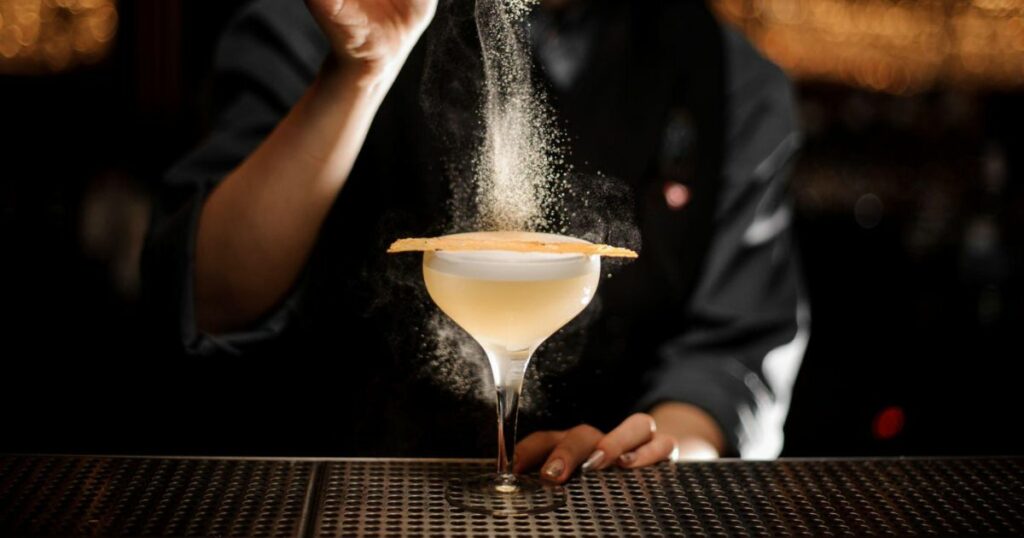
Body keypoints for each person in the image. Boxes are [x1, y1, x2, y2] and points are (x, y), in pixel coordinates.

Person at [143, 0, 807, 482]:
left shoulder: (733, 81)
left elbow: (732, 356)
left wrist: (649, 455)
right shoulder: (318, 17)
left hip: (596, 513)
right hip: (343, 496)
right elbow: (210, 297)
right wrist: (360, 74)